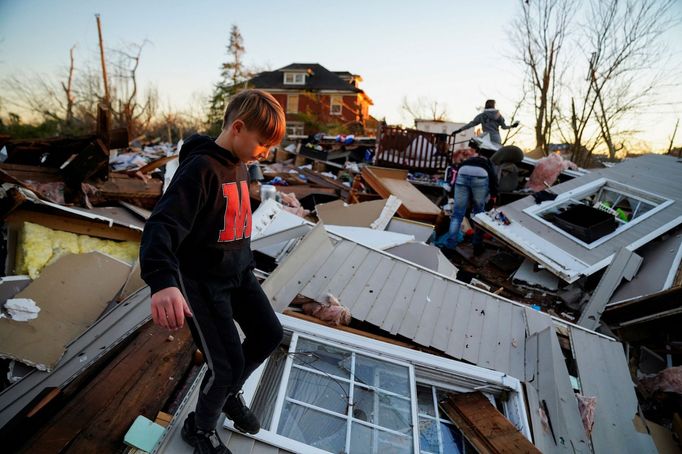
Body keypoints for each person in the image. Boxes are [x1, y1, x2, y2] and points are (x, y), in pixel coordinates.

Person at [140, 89, 286, 454]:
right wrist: (162, 282)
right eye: (262, 144)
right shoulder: (201, 169)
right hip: (204, 284)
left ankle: (230, 392)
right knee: (225, 364)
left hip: (238, 273)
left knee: (268, 334)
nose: (264, 153)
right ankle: (199, 428)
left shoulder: (237, 160)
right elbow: (161, 226)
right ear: (238, 128)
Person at [444, 146, 498, 255]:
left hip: (463, 172)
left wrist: (453, 192)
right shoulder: (488, 162)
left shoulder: (470, 159)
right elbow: (493, 179)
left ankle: (450, 247)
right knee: (479, 215)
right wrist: (493, 195)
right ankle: (477, 246)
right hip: (480, 175)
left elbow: (457, 177)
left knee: (457, 214)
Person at [453, 99, 519, 145]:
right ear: (494, 105)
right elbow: (504, 127)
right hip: (496, 138)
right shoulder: (499, 116)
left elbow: (471, 124)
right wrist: (512, 126)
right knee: (495, 158)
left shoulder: (481, 116)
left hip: (485, 138)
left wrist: (459, 130)